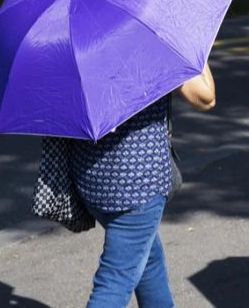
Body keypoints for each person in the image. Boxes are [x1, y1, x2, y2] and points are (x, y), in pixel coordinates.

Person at [64, 64, 216, 308]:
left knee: (148, 260)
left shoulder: (80, 44)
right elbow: (205, 98)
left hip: (90, 177)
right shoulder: (150, 38)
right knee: (114, 282)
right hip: (137, 184)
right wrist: (196, 49)